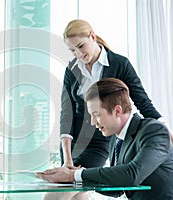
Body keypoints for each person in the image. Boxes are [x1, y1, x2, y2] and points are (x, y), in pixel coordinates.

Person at [37, 78, 173, 200]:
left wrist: (76, 175)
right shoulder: (116, 138)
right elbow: (117, 189)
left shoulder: (155, 131)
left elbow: (133, 174)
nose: (92, 122)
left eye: (96, 114)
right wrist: (72, 178)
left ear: (117, 110)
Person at [59, 19, 166, 169]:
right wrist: (67, 158)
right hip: (72, 142)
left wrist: (166, 131)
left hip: (101, 139)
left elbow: (143, 102)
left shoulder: (120, 64)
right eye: (72, 50)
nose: (78, 54)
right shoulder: (72, 70)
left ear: (92, 37)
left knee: (82, 182)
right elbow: (67, 114)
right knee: (67, 187)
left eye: (81, 46)